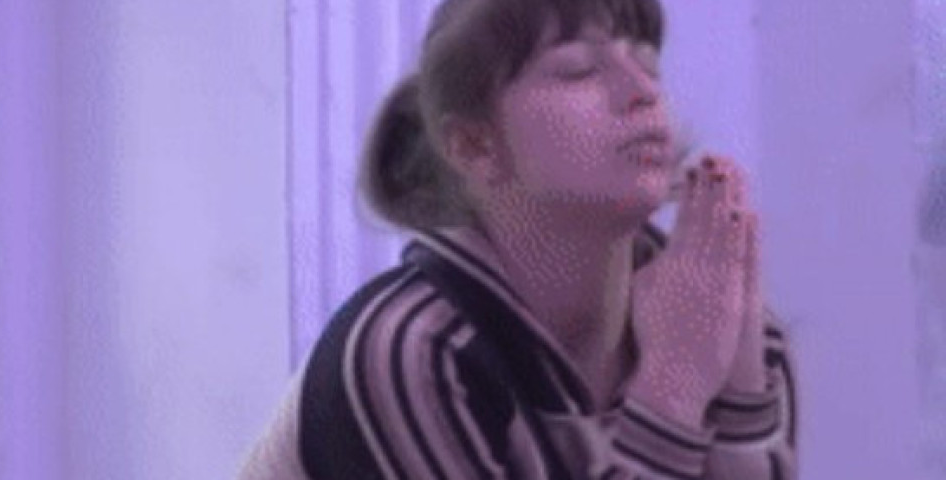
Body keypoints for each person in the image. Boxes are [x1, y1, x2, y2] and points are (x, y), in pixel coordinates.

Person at [238, 0, 798, 478]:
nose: (642, 92)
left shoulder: (717, 321)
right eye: (579, 71)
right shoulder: (413, 350)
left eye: (648, 61)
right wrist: (672, 392)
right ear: (474, 146)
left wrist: (740, 397)